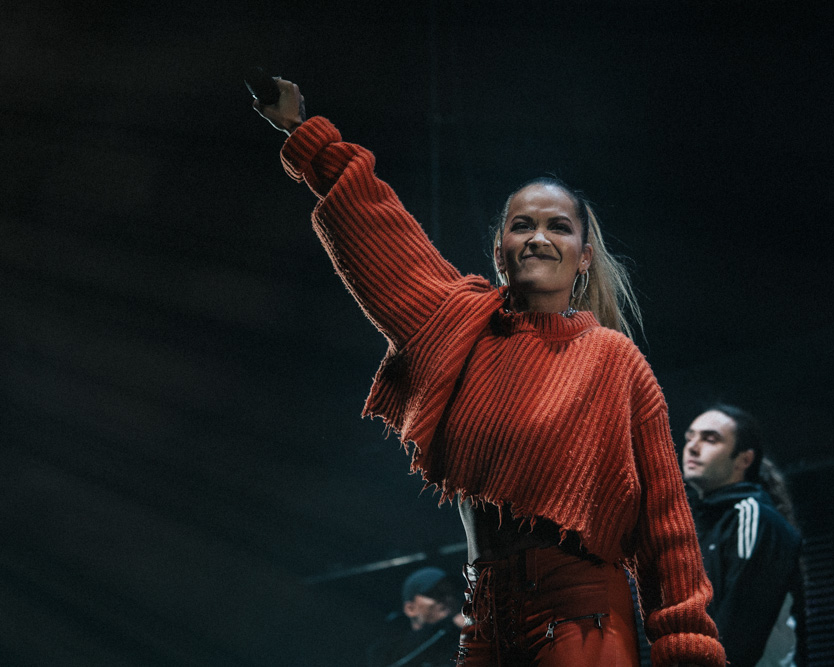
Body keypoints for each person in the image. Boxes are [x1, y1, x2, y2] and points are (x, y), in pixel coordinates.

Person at [255, 78, 725, 666]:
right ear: (500, 248)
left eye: (558, 226)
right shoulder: (459, 328)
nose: (538, 237)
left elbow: (666, 529)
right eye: (521, 225)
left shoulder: (614, 360)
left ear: (584, 258)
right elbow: (380, 231)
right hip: (483, 617)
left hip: (582, 617)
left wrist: (689, 652)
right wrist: (305, 135)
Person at [682, 405, 806, 666]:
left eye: (710, 438)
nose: (692, 447)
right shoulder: (693, 526)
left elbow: (740, 633)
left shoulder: (755, 518)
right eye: (690, 437)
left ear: (744, 460)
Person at [367, 567, 465, 667]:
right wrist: (451, 625)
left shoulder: (465, 640)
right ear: (410, 609)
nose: (448, 599)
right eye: (435, 594)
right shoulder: (388, 648)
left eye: (452, 593)